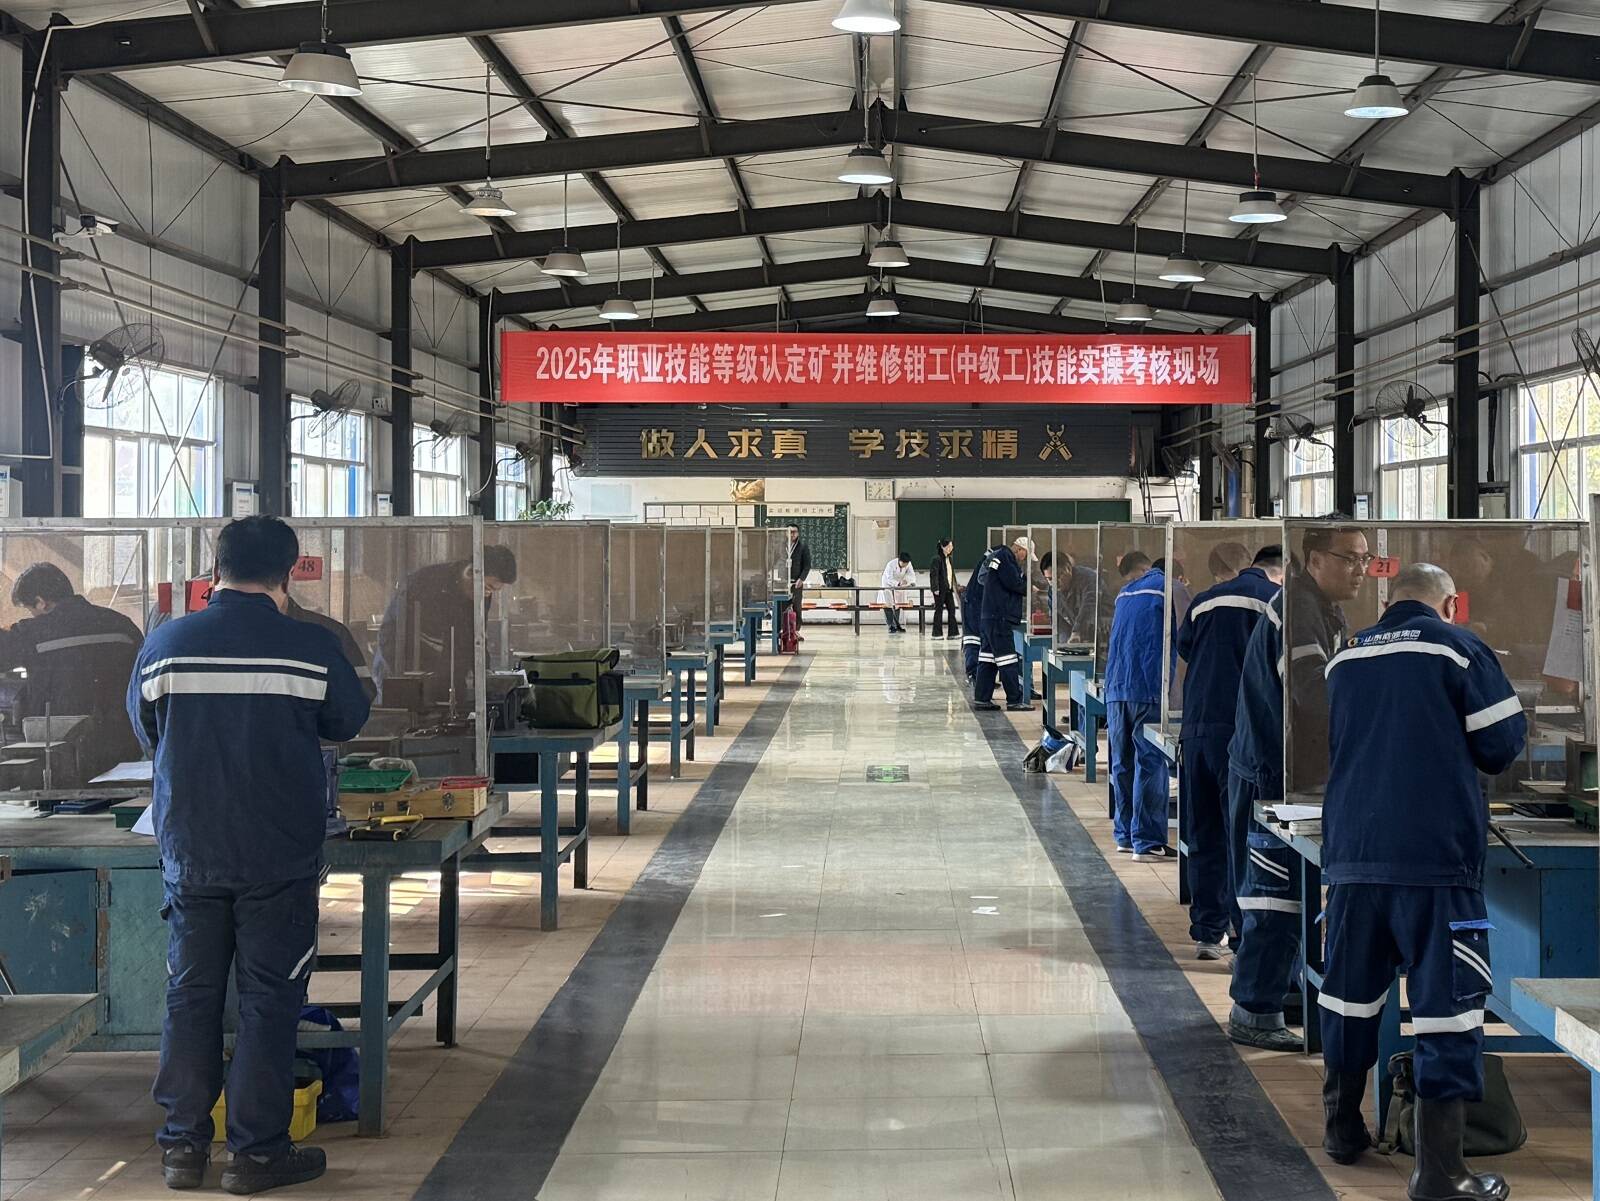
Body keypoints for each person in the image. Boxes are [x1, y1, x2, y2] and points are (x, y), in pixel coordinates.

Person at [127, 516, 369, 1195]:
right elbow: (347, 720)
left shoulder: (165, 644)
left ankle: (182, 1147)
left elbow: (146, 727)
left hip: (191, 851)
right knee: (269, 999)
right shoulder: (310, 647)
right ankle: (257, 1154)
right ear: (289, 574)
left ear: (216, 569)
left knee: (190, 993)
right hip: (276, 856)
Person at [1318, 563, 1524, 1201]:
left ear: (1390, 599)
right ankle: (1440, 1172)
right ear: (1450, 603)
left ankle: (1342, 1130)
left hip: (1352, 855)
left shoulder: (1346, 656)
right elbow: (1501, 743)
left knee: (1349, 997)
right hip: (1434, 862)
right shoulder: (1459, 649)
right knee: (1447, 1010)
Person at [1226, 521, 1369, 1051]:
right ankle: (1254, 1010)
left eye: (1365, 558)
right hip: (1272, 775)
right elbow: (1313, 693)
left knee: (1291, 896)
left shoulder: (1321, 606)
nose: (1360, 569)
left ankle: (1284, 992)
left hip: (1294, 774)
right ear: (1314, 560)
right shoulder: (1298, 608)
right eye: (1350, 558)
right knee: (1274, 900)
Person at [1175, 545, 1283, 960]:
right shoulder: (1275, 603)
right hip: (1241, 735)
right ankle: (1242, 938)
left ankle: (1207, 932)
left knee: (1203, 831)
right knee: (1241, 837)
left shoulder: (1204, 600)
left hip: (1196, 728)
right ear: (1278, 573)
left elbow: (1186, 649)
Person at [0, 562, 144, 780]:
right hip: (124, 745)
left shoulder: (33, 633)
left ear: (41, 602)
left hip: (59, 752)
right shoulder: (122, 624)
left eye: (30, 609)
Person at [372, 544, 517, 710]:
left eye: (493, 591)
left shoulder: (481, 594)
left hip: (449, 675)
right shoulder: (425, 582)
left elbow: (476, 637)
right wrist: (406, 681)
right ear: (471, 573)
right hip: (404, 668)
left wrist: (485, 676)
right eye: (487, 587)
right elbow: (391, 632)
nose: (488, 594)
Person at [1104, 556, 1172, 861]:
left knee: (1122, 763)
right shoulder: (1166, 589)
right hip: (1148, 686)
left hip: (1117, 687)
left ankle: (1125, 836)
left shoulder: (1125, 592)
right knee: (1150, 762)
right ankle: (1147, 841)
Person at [973, 538, 1033, 713]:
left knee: (988, 659)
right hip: (999, 618)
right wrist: (1029, 586)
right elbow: (1015, 584)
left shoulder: (999, 556)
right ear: (1020, 550)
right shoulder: (1006, 557)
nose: (1024, 559)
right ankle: (1014, 700)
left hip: (989, 616)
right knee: (1008, 659)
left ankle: (982, 698)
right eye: (1026, 555)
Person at [1053, 551, 1103, 647]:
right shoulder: (1055, 590)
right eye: (1050, 578)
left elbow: (1090, 604)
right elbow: (1060, 621)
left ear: (1068, 568)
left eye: (1059, 576)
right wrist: (1065, 645)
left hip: (1101, 631)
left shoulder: (1088, 578)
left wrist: (1076, 631)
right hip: (1080, 637)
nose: (1055, 581)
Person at [960, 552, 987, 684]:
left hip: (976, 602)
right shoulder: (997, 560)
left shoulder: (992, 557)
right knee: (973, 640)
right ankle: (973, 675)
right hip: (973, 604)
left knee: (977, 640)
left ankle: (979, 676)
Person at [877, 551, 916, 634]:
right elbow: (889, 578)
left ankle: (897, 625)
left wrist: (910, 581)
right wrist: (898, 583)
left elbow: (911, 574)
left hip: (899, 585)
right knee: (888, 604)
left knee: (898, 604)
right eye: (904, 563)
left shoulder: (908, 564)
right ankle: (891, 626)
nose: (905, 565)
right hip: (887, 584)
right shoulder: (890, 565)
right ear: (899, 560)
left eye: (906, 563)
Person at [929, 539, 959, 639]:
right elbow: (934, 575)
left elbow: (951, 574)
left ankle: (953, 633)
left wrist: (955, 586)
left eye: (951, 546)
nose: (951, 548)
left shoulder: (949, 559)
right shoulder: (936, 559)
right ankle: (936, 634)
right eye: (948, 546)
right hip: (939, 590)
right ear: (942, 547)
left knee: (952, 609)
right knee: (939, 610)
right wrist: (935, 588)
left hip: (948, 589)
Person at [787, 526, 812, 628]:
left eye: (795, 532)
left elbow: (807, 565)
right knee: (782, 607)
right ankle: (782, 630)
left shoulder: (803, 547)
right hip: (783, 582)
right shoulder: (780, 546)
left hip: (796, 582)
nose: (792, 534)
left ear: (798, 533)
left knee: (796, 607)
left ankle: (796, 630)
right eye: (790, 531)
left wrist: (801, 579)